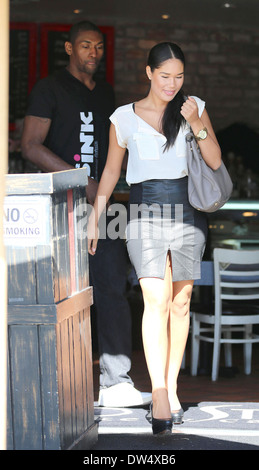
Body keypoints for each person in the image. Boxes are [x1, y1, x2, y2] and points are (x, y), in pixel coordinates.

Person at [87, 42, 221, 434]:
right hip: (144, 214)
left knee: (180, 303)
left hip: (188, 213)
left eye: (179, 76)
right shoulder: (123, 118)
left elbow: (213, 159)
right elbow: (111, 173)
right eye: (165, 76)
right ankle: (158, 391)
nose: (172, 84)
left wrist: (195, 119)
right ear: (149, 73)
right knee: (155, 299)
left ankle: (174, 387)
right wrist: (96, 218)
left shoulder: (192, 106)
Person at [21, 20, 151, 408]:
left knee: (112, 288)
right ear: (69, 48)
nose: (92, 53)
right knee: (61, 294)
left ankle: (115, 383)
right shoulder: (50, 88)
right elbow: (30, 146)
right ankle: (54, 383)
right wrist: (82, 181)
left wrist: (107, 187)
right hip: (62, 207)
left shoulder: (106, 92)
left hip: (102, 207)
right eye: (85, 46)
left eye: (98, 47)